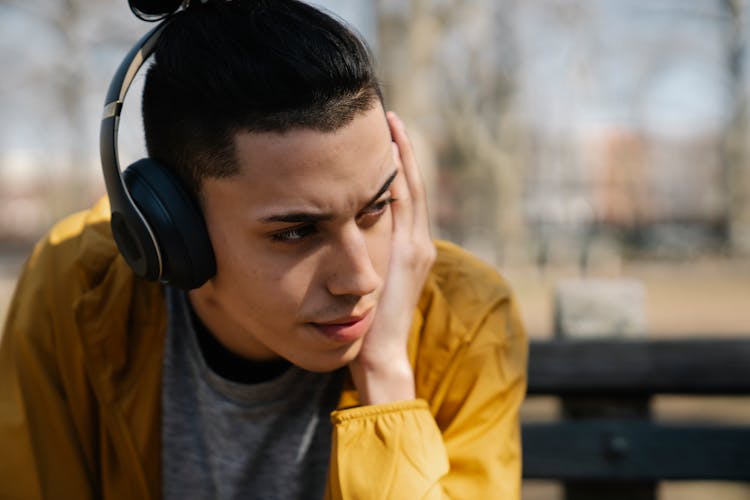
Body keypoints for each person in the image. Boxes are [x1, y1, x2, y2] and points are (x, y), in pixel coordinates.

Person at [0, 1, 528, 498]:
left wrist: (387, 376)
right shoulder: (75, 288)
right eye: (295, 232)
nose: (362, 279)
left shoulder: (468, 322)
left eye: (376, 208)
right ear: (170, 233)